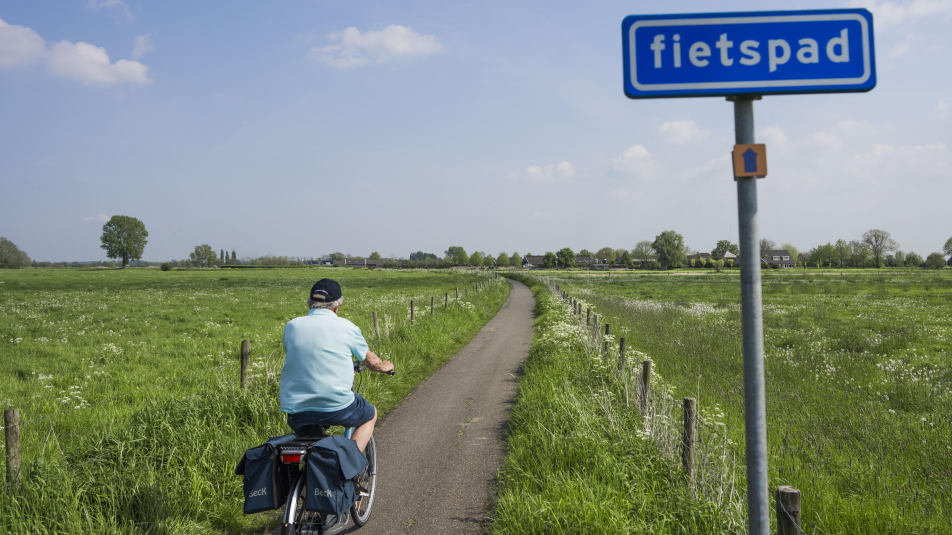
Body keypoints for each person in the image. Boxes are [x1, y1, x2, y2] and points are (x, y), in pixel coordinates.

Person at [279, 278, 394, 452]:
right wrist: (385, 367)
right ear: (337, 305)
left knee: (310, 443)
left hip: (295, 409)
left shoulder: (291, 326)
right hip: (337, 407)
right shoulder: (346, 327)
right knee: (370, 415)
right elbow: (371, 361)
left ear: (310, 303)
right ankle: (350, 462)